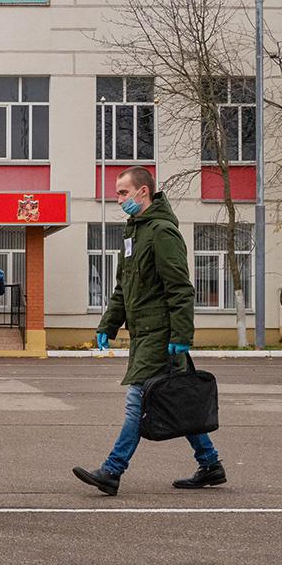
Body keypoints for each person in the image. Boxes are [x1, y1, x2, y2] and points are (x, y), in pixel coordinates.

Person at [72, 166, 226, 497]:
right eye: (117, 193)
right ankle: (210, 463)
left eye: (123, 193)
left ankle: (112, 470)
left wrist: (181, 336)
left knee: (138, 400)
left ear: (144, 192)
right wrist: (109, 324)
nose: (119, 199)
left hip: (161, 335)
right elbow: (123, 287)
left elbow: (181, 288)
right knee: (179, 401)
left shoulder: (161, 232)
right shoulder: (134, 233)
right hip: (143, 333)